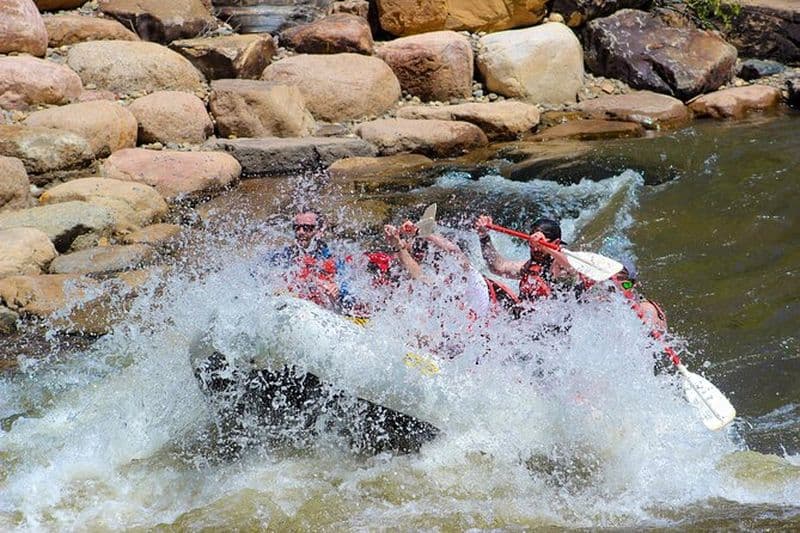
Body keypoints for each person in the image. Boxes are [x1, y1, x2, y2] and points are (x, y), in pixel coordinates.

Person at [474, 215, 581, 307]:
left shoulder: (560, 267)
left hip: (554, 326)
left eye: (540, 246)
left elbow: (571, 267)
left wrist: (547, 247)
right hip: (526, 321)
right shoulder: (529, 266)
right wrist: (483, 236)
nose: (535, 249)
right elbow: (497, 267)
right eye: (532, 245)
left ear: (556, 243)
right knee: (485, 283)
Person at [266, 210, 352, 313]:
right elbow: (256, 276)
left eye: (307, 228)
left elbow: (353, 291)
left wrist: (338, 291)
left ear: (320, 231)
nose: (301, 232)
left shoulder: (335, 259)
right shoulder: (282, 257)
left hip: (323, 314)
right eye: (297, 228)